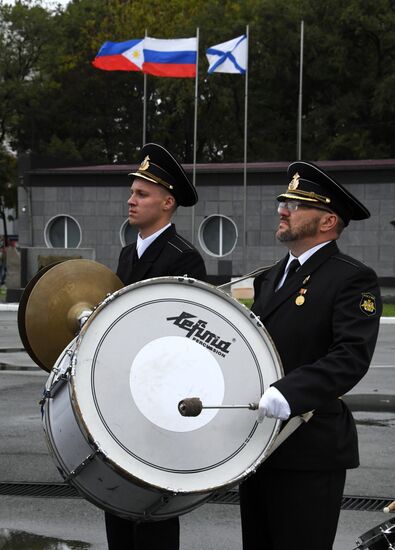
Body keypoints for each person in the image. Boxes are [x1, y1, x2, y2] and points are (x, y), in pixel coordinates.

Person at [239, 161, 382, 550]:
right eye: (283, 202)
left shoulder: (351, 277)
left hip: (310, 446)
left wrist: (290, 392)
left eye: (296, 204)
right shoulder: (269, 277)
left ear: (327, 221)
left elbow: (350, 356)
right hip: (261, 445)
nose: (283, 210)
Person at [105, 142, 207, 550]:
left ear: (167, 203)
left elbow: (187, 343)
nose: (131, 200)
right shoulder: (128, 254)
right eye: (132, 192)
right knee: (117, 502)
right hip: (121, 399)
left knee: (151, 508)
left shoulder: (185, 259)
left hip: (158, 403)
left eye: (141, 194)